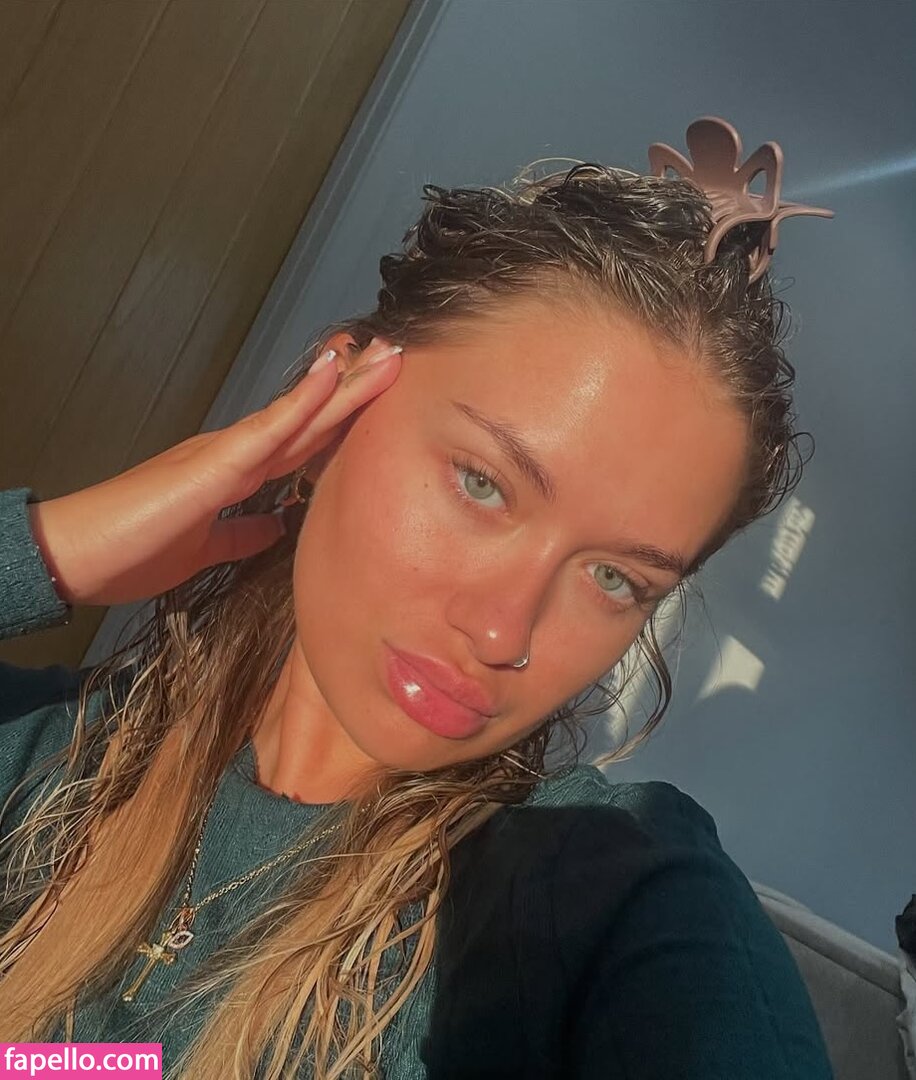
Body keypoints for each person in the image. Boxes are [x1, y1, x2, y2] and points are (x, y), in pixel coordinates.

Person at [0, 118, 835, 1079]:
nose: (501, 631)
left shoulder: (603, 898)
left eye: (616, 578)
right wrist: (47, 549)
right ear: (330, 413)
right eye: (483, 484)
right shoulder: (50, 763)